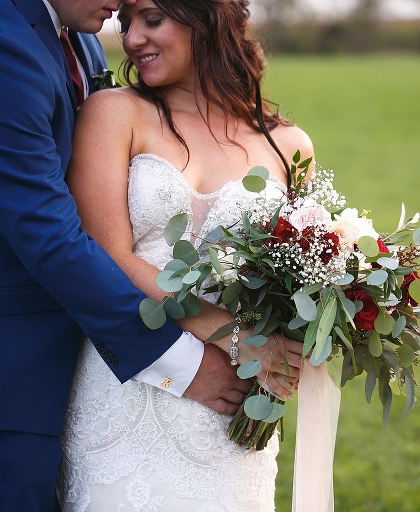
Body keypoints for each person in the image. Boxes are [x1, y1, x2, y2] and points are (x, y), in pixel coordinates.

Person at [0, 0, 262, 508]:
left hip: (82, 363)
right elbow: (50, 236)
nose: (126, 27)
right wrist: (185, 362)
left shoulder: (79, 35)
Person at [57, 0, 313, 510]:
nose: (131, 39)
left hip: (234, 409)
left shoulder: (289, 145)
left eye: (152, 19)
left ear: (208, 18)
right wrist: (236, 337)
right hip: (125, 386)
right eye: (126, 23)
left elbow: (298, 280)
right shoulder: (114, 113)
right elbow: (108, 256)